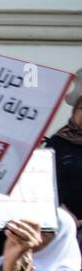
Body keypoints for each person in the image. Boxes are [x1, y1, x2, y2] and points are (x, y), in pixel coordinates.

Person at [44, 77, 82, 219]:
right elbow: (45, 178)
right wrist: (64, 213)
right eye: (81, 109)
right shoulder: (60, 140)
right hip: (59, 216)